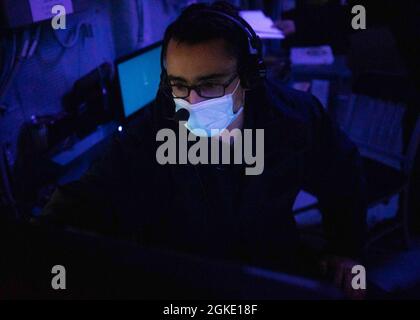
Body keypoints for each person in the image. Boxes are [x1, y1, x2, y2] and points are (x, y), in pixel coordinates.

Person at [40, 1, 367, 298]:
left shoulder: (294, 118)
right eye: (179, 85)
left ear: (250, 77)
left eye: (210, 84)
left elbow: (344, 174)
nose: (191, 104)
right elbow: (87, 199)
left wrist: (346, 249)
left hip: (271, 267)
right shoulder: (153, 128)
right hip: (185, 279)